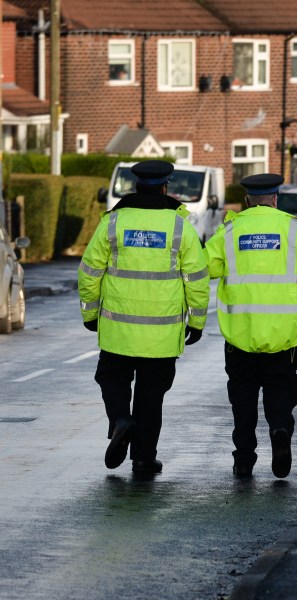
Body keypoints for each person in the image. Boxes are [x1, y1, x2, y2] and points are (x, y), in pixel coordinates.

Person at [78, 159, 209, 477]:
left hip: (118, 329)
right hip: (162, 334)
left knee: (111, 377)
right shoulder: (180, 226)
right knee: (151, 396)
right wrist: (197, 322)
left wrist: (91, 314)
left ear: (136, 186)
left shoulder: (113, 221)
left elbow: (89, 272)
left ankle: (121, 419)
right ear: (166, 187)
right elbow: (197, 279)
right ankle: (143, 458)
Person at [204, 173, 297, 479]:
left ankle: (244, 460)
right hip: (282, 337)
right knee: (281, 392)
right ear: (275, 199)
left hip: (240, 337)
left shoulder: (229, 230)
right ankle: (280, 429)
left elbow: (207, 267)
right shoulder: (293, 228)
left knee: (242, 402)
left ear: (247, 200)